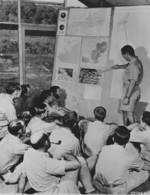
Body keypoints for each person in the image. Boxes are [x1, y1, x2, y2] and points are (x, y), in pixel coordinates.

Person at [49, 111, 96, 194]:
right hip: (63, 169)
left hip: (52, 164)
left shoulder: (54, 131)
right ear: (74, 124)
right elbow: (77, 158)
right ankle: (90, 189)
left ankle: (88, 188)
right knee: (82, 160)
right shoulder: (74, 140)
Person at [94, 126, 149, 194]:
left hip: (98, 184)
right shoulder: (130, 158)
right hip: (115, 191)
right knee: (145, 173)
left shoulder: (104, 148)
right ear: (128, 141)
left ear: (113, 138)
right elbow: (145, 166)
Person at [100, 45, 143, 125]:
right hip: (130, 90)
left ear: (126, 54)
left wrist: (127, 97)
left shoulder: (134, 65)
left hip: (131, 91)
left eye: (123, 56)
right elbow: (128, 66)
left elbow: (132, 82)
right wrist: (118, 66)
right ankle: (127, 130)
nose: (123, 58)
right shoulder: (134, 62)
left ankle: (131, 133)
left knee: (129, 113)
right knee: (126, 112)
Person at [79, 106, 118, 171]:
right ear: (105, 116)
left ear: (94, 115)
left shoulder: (86, 124)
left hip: (86, 155)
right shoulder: (108, 128)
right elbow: (116, 126)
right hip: (98, 157)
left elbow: (81, 121)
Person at [0, 119, 29, 184]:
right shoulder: (19, 147)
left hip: (1, 165)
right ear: (20, 131)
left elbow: (13, 145)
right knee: (30, 160)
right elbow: (34, 149)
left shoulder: (7, 136)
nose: (25, 127)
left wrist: (24, 140)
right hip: (5, 173)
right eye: (24, 126)